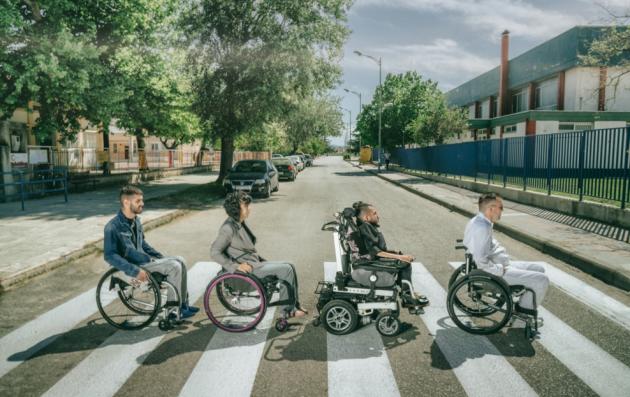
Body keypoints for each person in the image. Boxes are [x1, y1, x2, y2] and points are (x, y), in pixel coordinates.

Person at [104, 185, 199, 318]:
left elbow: (143, 244)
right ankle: (173, 311)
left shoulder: (135, 221)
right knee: (174, 266)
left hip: (143, 261)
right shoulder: (112, 227)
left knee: (179, 260)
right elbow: (110, 256)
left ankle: (183, 305)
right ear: (126, 202)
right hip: (132, 268)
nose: (142, 204)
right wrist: (135, 271)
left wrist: (161, 258)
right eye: (138, 201)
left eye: (142, 200)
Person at [210, 191, 307, 317]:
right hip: (248, 269)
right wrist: (235, 266)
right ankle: (287, 311)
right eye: (246, 206)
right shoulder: (228, 228)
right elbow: (214, 252)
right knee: (286, 269)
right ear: (236, 209)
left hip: (255, 263)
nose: (249, 208)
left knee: (290, 265)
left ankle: (294, 305)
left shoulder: (239, 222)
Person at [463, 192, 549, 315]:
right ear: (491, 209)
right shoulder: (482, 228)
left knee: (539, 268)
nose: (502, 211)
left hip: (500, 265)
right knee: (542, 280)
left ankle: (525, 303)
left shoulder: (480, 221)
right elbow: (481, 261)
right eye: (501, 207)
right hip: (496, 272)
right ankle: (523, 313)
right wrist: (499, 269)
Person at [354, 202, 430, 312]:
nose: (378, 216)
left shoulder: (368, 226)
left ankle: (407, 293)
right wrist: (400, 258)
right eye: (375, 213)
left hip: (371, 260)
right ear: (367, 217)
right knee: (404, 263)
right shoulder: (366, 228)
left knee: (402, 258)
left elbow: (379, 250)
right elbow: (376, 252)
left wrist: (397, 254)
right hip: (370, 263)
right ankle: (407, 295)